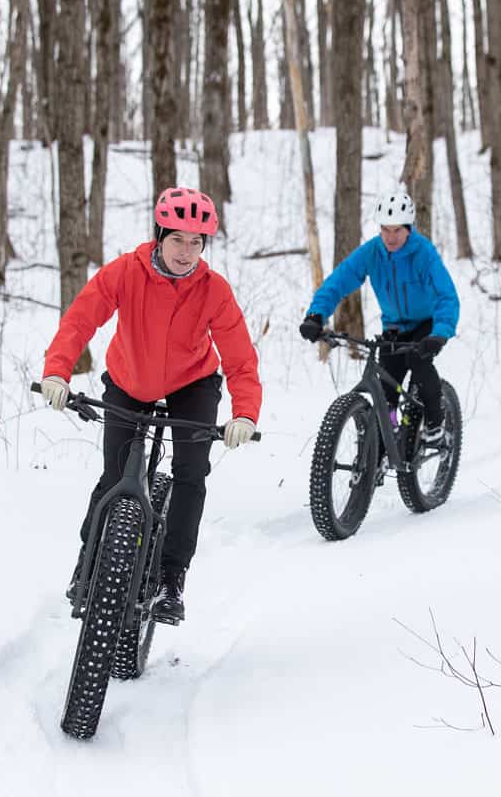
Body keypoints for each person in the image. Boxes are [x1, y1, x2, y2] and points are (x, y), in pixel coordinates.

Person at [39, 186, 261, 625]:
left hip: (192, 383)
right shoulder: (125, 271)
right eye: (177, 238)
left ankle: (171, 578)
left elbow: (240, 357)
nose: (186, 251)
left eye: (196, 242)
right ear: (159, 235)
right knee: (114, 473)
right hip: (130, 378)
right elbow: (81, 319)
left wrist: (244, 413)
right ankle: (88, 562)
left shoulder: (214, 290)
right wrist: (57, 371)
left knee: (191, 473)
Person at [299, 191, 459, 444]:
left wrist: (440, 332)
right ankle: (388, 437)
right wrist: (316, 315)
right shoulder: (372, 252)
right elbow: (338, 282)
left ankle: (435, 423)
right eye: (385, 230)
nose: (390, 237)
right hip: (394, 327)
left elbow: (446, 295)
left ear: (408, 229)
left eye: (397, 230)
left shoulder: (424, 253)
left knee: (419, 363)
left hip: (426, 325)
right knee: (387, 392)